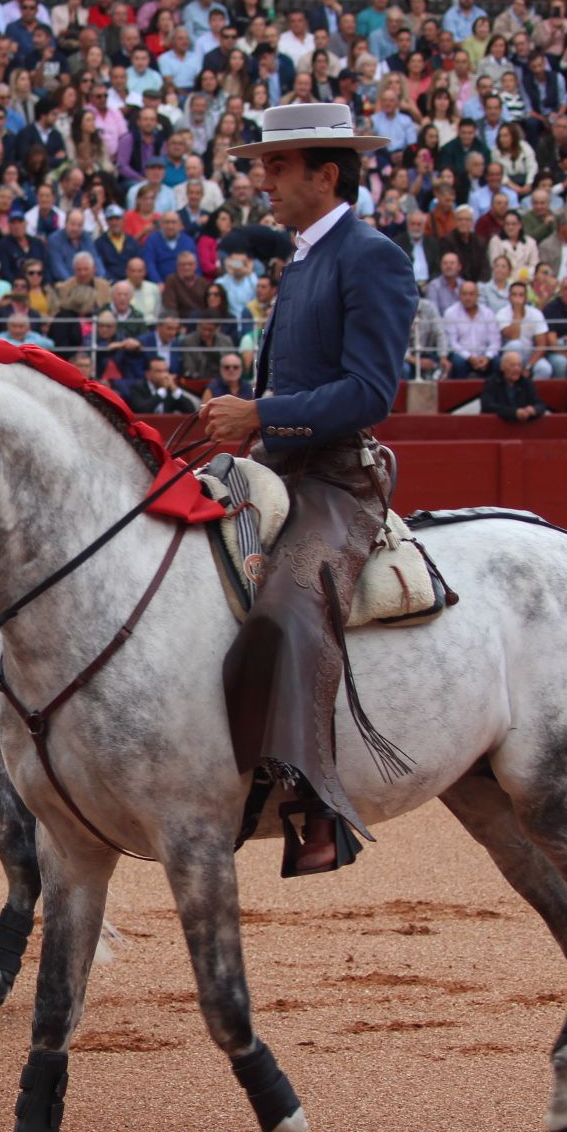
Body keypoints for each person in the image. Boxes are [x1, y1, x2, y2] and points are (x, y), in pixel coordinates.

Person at [198, 101, 418, 877]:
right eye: (265, 165)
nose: (265, 180)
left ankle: (315, 800)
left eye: (278, 167)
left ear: (327, 174)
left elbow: (368, 393)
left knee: (285, 610)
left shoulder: (372, 256)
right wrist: (249, 431)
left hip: (334, 478)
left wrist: (262, 412)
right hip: (277, 469)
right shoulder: (305, 256)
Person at [480, 349, 547, 422]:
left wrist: (534, 410)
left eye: (519, 365)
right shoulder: (492, 382)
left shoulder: (526, 383)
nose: (517, 369)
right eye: (512, 365)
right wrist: (513, 413)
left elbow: (540, 404)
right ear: (502, 367)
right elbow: (487, 406)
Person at [129, 355, 199, 413]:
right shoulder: (137, 388)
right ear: (148, 374)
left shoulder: (171, 389)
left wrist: (175, 390)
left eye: (165, 371)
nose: (164, 375)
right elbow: (142, 410)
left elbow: (190, 410)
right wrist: (162, 391)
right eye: (159, 371)